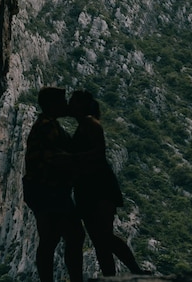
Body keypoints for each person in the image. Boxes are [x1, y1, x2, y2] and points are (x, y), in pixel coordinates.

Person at [69, 90, 147, 277]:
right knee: (100, 239)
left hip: (97, 187)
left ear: (81, 105)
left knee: (103, 237)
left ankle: (132, 271)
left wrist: (70, 158)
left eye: (72, 102)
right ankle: (114, 276)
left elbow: (98, 152)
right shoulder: (84, 125)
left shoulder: (90, 124)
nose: (69, 105)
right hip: (91, 188)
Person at [23, 87, 85, 282]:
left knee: (51, 239)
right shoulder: (48, 127)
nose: (65, 104)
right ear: (52, 105)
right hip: (50, 192)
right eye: (62, 101)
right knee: (72, 236)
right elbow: (59, 157)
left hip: (43, 191)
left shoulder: (47, 125)